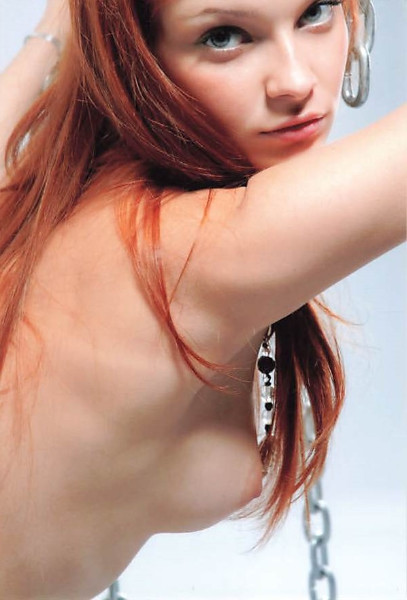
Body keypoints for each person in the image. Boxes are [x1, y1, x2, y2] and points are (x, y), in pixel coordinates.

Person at [0, 0, 405, 598]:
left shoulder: (40, 195)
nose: (296, 82)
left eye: (316, 11)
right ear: (137, 57)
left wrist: (54, 30)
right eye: (223, 37)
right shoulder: (188, 253)